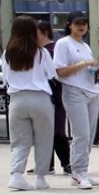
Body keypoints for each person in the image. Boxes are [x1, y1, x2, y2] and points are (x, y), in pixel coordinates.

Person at [2, 15, 57, 191]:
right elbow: (52, 75)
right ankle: (40, 177)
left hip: (17, 99)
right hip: (40, 98)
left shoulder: (8, 53)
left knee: (19, 140)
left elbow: (5, 79)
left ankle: (16, 175)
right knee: (44, 138)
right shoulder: (41, 52)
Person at [53, 10, 99, 189]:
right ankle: (78, 172)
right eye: (77, 23)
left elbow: (87, 69)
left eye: (84, 23)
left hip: (92, 90)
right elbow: (60, 71)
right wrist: (83, 64)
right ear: (69, 25)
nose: (82, 26)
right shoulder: (63, 44)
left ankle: (81, 172)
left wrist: (96, 68)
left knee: (89, 135)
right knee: (82, 134)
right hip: (74, 91)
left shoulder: (85, 46)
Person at [35, 21, 71, 176]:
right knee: (45, 130)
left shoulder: (51, 50)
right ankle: (48, 164)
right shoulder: (42, 51)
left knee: (56, 130)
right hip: (48, 95)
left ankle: (66, 163)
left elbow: (54, 73)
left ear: (43, 32)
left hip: (54, 94)